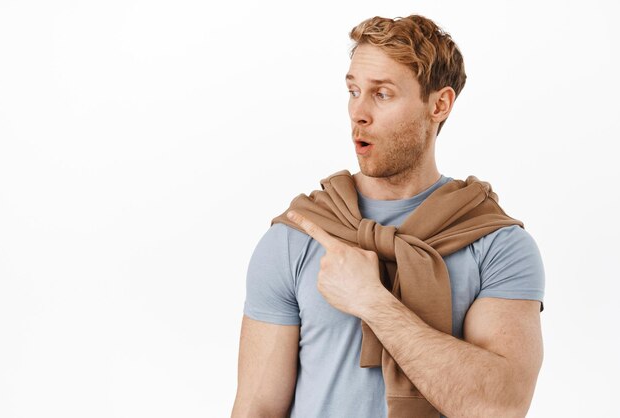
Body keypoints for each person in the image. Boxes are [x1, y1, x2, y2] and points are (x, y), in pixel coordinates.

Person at [231, 14, 545, 418]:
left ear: (439, 104)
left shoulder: (496, 244)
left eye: (382, 94)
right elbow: (256, 407)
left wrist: (372, 301)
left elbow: (499, 407)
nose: (358, 113)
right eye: (353, 90)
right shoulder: (297, 236)